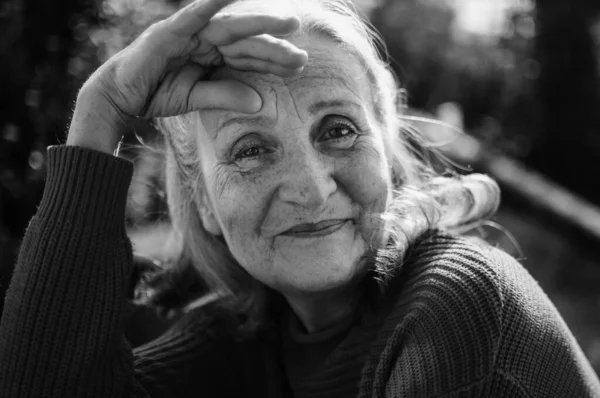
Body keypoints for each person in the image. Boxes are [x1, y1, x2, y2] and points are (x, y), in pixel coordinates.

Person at [1, 0, 599, 396]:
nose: (312, 187)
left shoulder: (459, 306)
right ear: (205, 200)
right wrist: (99, 111)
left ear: (385, 156)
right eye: (251, 150)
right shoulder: (242, 341)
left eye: (337, 130)